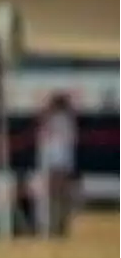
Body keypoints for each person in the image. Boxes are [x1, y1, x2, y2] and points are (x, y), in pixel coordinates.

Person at [36, 92, 77, 237]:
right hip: (58, 161)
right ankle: (57, 226)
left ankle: (56, 226)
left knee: (56, 196)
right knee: (57, 196)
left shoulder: (61, 120)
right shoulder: (63, 120)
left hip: (57, 161)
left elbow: (63, 142)